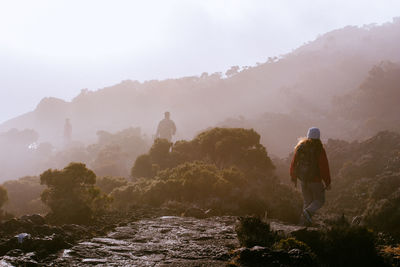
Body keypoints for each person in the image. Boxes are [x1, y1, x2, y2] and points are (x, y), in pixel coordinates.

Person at [290, 127, 331, 226]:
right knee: (320, 200)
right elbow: (324, 167)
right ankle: (307, 213)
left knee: (307, 201)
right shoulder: (319, 149)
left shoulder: (300, 147)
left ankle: (302, 223)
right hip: (315, 180)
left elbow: (294, 163)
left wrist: (293, 178)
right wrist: (327, 182)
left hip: (303, 180)